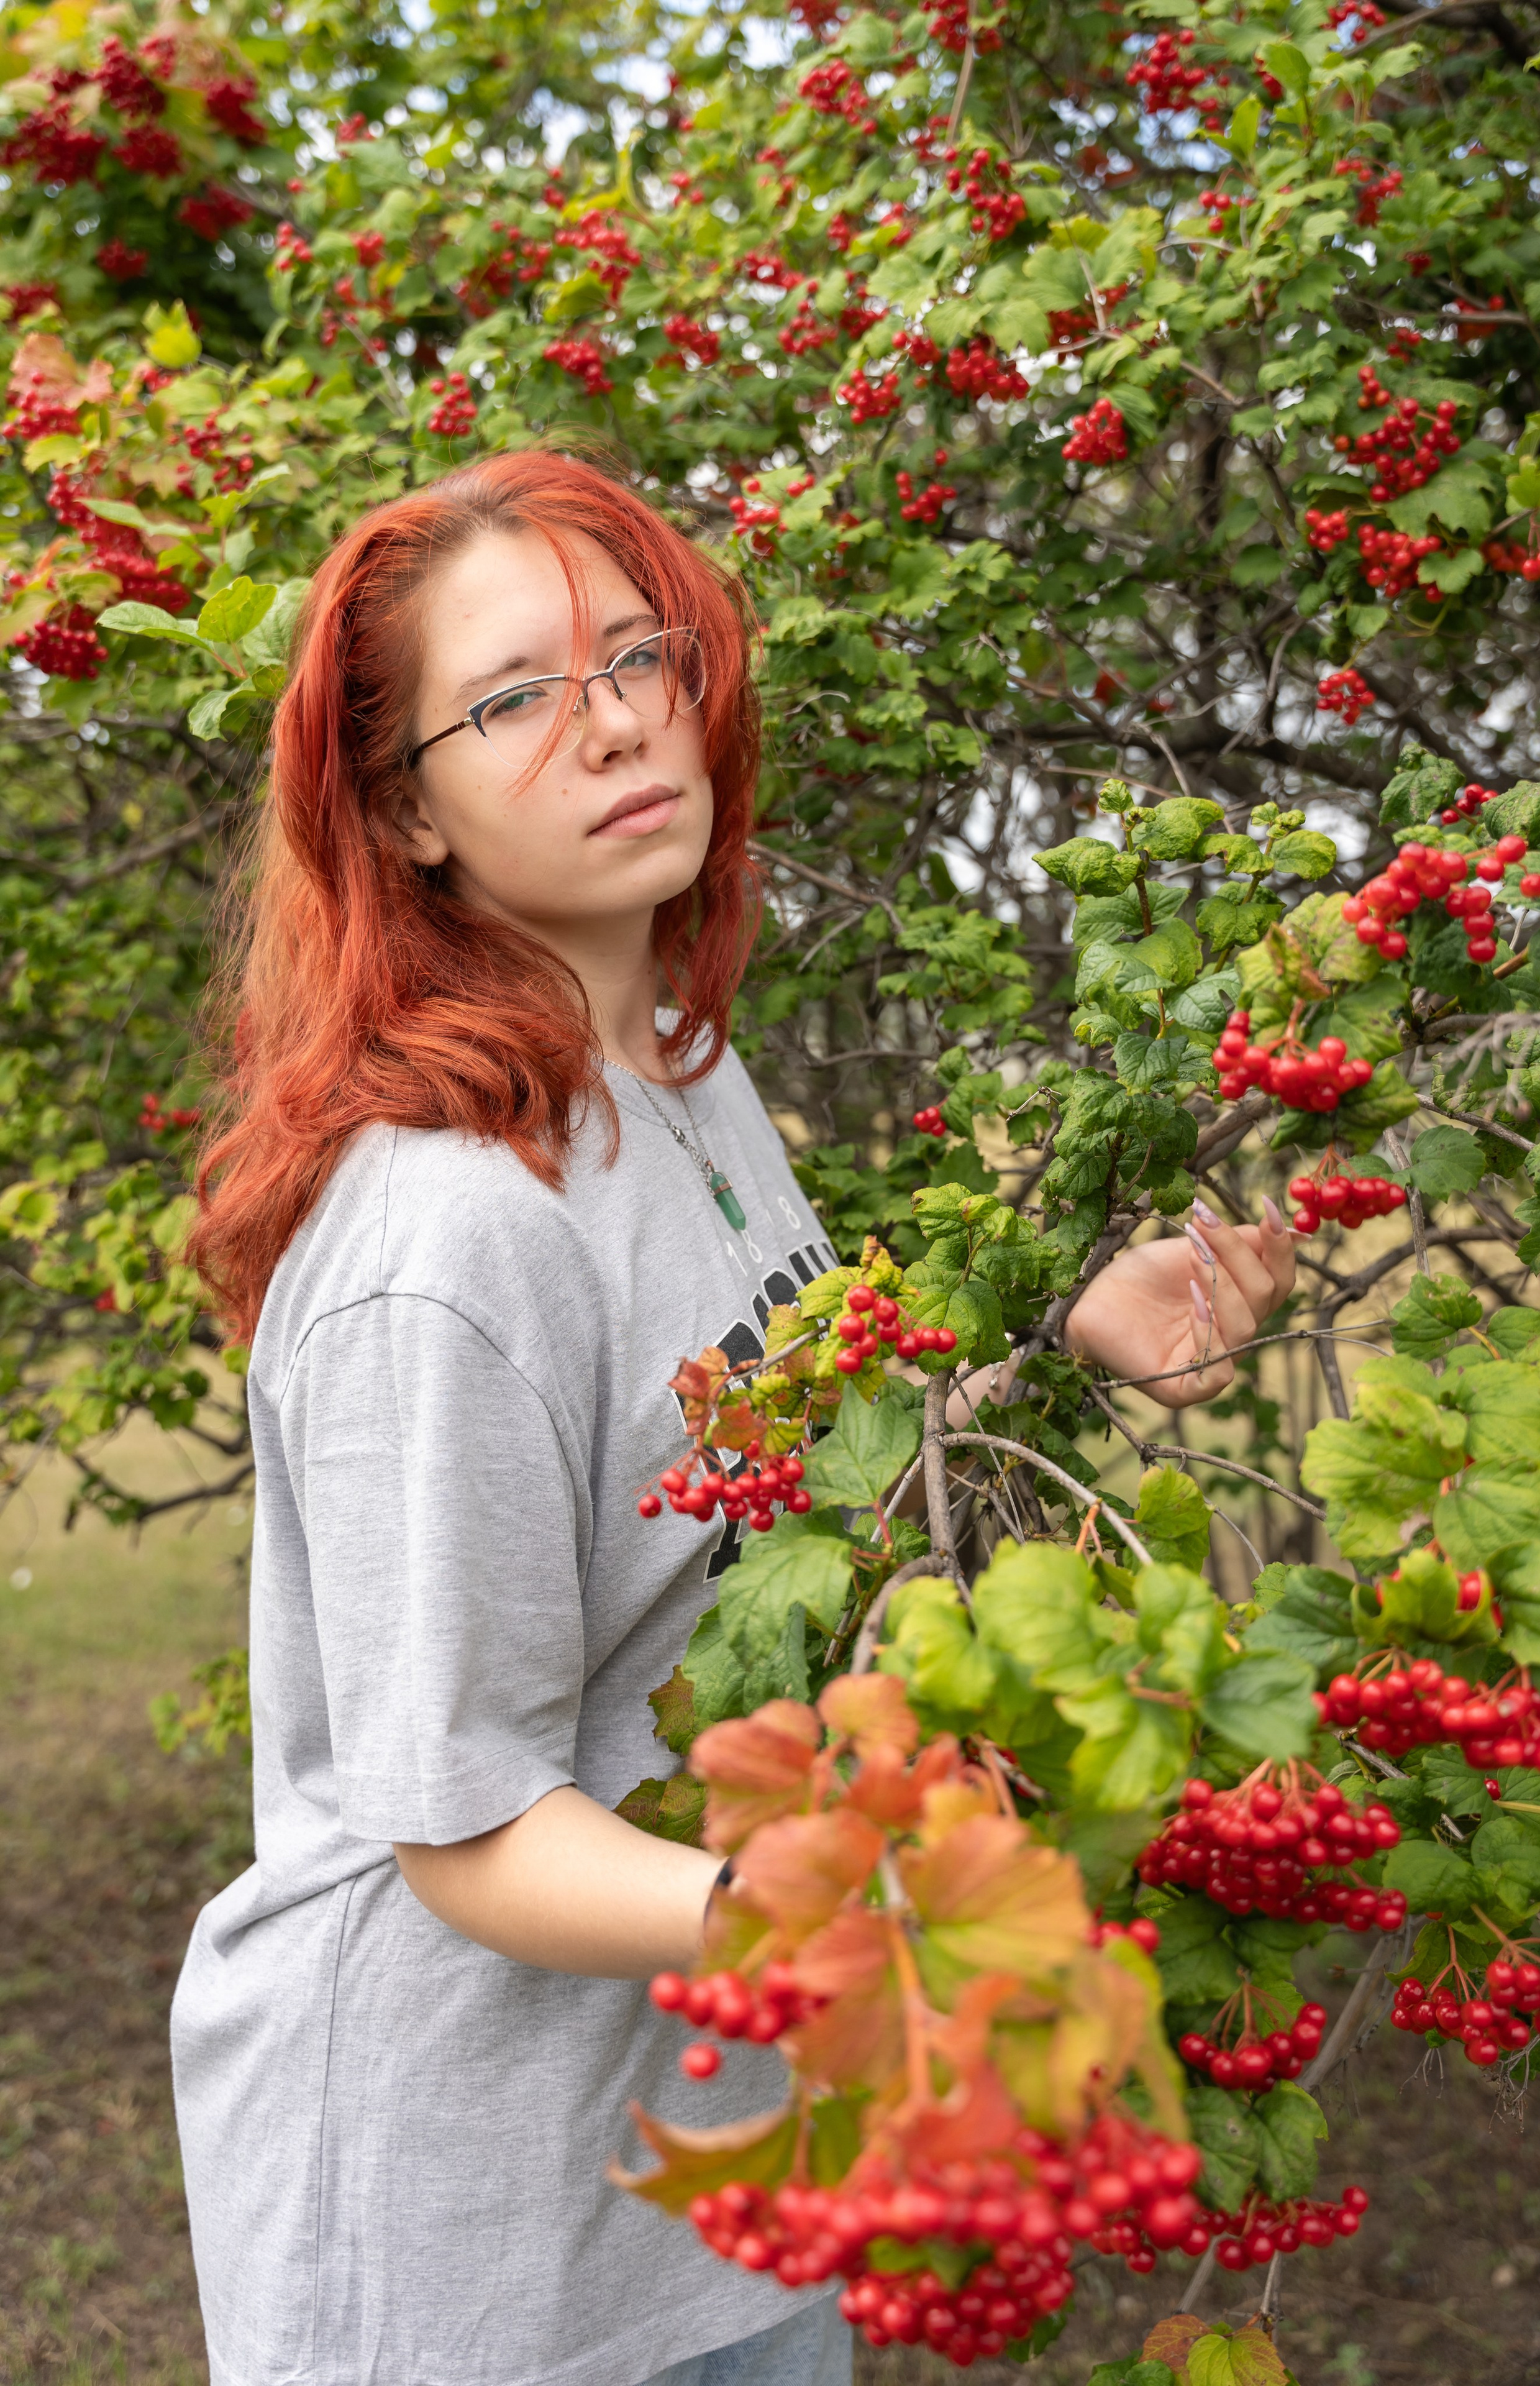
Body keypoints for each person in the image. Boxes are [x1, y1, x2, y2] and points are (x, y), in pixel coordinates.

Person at [172, 447, 1296, 2386]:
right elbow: (465, 1831)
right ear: (403, 810)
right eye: (515, 696)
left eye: (641, 656)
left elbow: (756, 1469)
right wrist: (869, 1920)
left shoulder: (678, 1067)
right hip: (477, 2234)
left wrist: (1056, 1335)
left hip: (721, 2149)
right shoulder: (447, 1244)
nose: (613, 722)